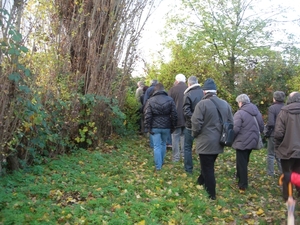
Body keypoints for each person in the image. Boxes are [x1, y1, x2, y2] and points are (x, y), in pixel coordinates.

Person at [191, 78, 233, 200]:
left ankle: (211, 195)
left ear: (204, 92)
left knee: (208, 168)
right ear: (215, 91)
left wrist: (195, 135)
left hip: (205, 142)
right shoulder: (225, 104)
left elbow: (196, 123)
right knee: (208, 164)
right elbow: (231, 122)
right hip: (220, 141)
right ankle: (200, 181)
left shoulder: (202, 104)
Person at [232, 94, 264, 192]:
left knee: (241, 162)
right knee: (245, 160)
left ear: (241, 102)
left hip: (242, 141)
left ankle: (243, 184)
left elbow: (236, 129)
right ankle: (239, 176)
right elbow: (261, 127)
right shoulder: (256, 111)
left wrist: (231, 138)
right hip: (253, 140)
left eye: (238, 103)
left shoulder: (240, 113)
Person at [144, 83, 178, 171]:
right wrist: (173, 126)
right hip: (166, 126)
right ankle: (161, 161)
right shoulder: (170, 100)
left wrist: (148, 126)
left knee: (156, 146)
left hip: (155, 126)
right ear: (164, 90)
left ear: (155, 90)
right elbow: (174, 114)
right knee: (163, 144)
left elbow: (147, 115)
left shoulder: (151, 100)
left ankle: (158, 166)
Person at [274, 91, 300, 202]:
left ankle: (287, 197)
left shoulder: (284, 111)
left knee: (287, 173)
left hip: (286, 149)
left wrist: (278, 145)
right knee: (298, 173)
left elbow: (279, 132)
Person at [182, 76, 204, 174]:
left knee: (187, 147)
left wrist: (194, 120)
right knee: (203, 147)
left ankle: (188, 169)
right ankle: (204, 168)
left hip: (190, 125)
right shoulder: (204, 93)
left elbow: (186, 111)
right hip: (203, 125)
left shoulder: (188, 94)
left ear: (189, 84)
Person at [264, 91, 285, 177]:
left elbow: (271, 123)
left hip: (273, 134)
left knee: (271, 154)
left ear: (275, 98)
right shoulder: (286, 107)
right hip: (284, 134)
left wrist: (267, 131)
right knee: (280, 154)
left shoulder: (272, 108)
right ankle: (283, 171)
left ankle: (270, 173)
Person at [168, 74, 188, 162]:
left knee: (175, 138)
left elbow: (168, 103)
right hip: (187, 118)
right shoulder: (188, 89)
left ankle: (176, 158)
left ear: (176, 80)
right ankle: (184, 156)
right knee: (184, 137)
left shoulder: (172, 89)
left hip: (176, 118)